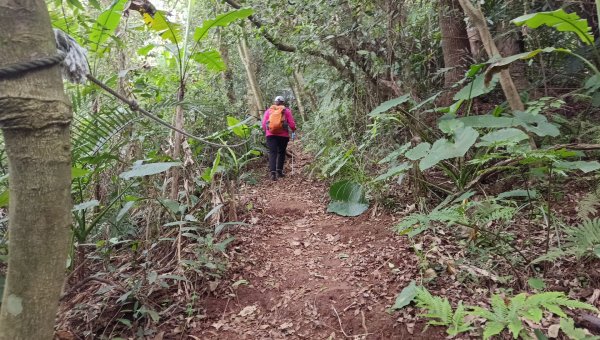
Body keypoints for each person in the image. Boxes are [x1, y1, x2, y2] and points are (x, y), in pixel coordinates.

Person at [262, 96, 297, 181]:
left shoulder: (268, 111)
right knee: (281, 152)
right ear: (283, 102)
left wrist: (267, 132)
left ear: (275, 102)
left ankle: (273, 173)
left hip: (270, 135)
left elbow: (263, 124)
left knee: (272, 153)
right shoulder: (286, 111)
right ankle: (279, 171)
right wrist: (293, 130)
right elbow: (292, 124)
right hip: (283, 136)